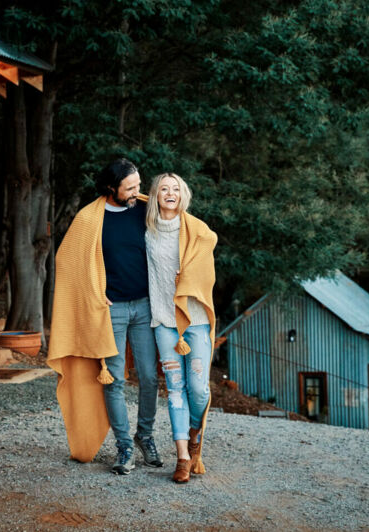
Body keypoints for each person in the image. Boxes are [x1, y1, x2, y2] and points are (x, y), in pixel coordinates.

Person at [46, 158, 163, 475]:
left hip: (145, 305)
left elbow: (177, 233)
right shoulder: (89, 219)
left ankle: (145, 435)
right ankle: (124, 446)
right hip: (110, 311)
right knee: (114, 380)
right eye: (130, 187)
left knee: (150, 377)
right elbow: (67, 260)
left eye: (139, 185)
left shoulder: (144, 209)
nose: (138, 191)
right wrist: (93, 292)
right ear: (111, 188)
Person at [144, 172, 218, 483]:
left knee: (198, 388)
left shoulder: (197, 230)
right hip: (164, 321)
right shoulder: (147, 233)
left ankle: (194, 434)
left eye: (176, 189)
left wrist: (187, 276)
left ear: (183, 195)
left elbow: (209, 253)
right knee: (175, 389)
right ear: (155, 195)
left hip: (196, 321)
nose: (170, 193)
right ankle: (183, 457)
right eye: (164, 189)